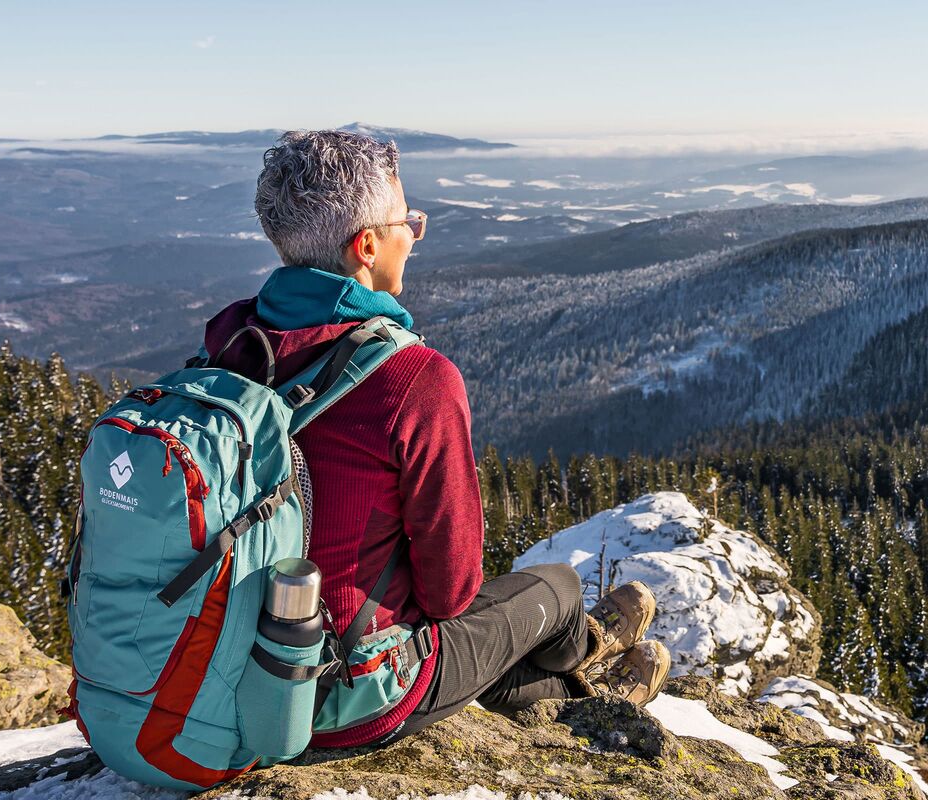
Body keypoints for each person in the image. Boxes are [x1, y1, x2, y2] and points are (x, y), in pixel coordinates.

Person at [201, 129, 671, 750]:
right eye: (409, 223)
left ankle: (588, 671)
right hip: (340, 698)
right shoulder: (412, 380)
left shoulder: (226, 352)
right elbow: (451, 593)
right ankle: (592, 663)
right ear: (366, 245)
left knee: (483, 642)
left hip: (222, 678)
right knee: (553, 590)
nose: (414, 238)